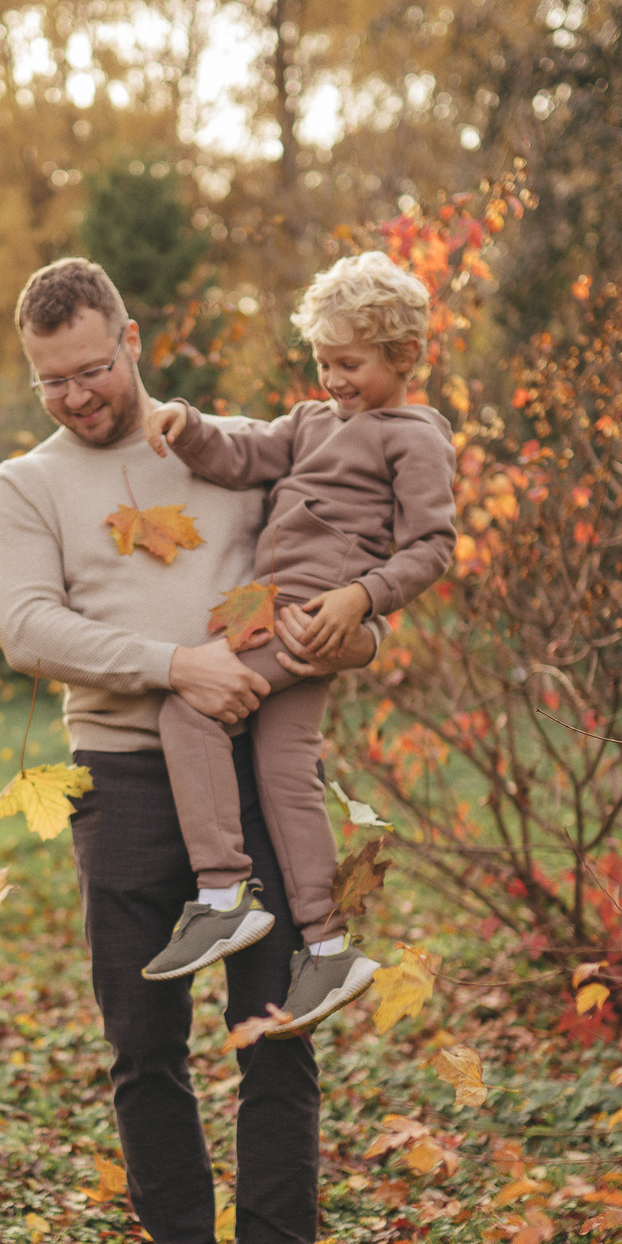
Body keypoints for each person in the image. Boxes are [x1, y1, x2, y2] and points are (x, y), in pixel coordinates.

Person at [0, 258, 380, 1244]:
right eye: (52, 380)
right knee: (143, 1047)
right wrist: (176, 665)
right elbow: (27, 628)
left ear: (133, 341)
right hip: (120, 783)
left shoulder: (239, 452)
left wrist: (357, 630)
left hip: (253, 777)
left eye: (92, 368)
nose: (76, 395)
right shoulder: (25, 486)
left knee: (276, 1035)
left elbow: (338, 568)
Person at [137, 252, 455, 1030]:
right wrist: (188, 425)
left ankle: (222, 893)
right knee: (286, 773)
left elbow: (432, 547)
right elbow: (244, 457)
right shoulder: (311, 422)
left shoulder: (414, 438)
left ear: (406, 356)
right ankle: (327, 946)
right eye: (323, 361)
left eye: (350, 363)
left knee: (188, 709)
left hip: (309, 612)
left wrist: (362, 597)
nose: (334, 378)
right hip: (268, 603)